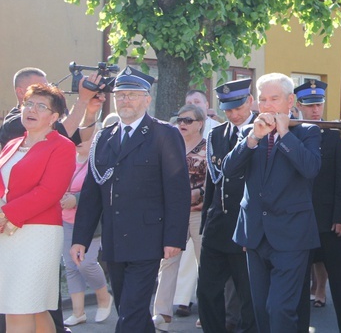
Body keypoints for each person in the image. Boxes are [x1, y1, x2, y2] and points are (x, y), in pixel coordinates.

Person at [71, 66, 191, 333]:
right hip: (114, 240)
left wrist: (174, 238)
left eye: (132, 95)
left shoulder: (164, 134)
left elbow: (177, 190)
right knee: (127, 309)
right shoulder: (104, 137)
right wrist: (80, 238)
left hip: (148, 238)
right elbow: (92, 193)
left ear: (147, 100)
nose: (125, 100)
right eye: (120, 95)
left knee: (132, 314)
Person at [222, 73, 321, 332]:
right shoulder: (248, 132)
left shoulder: (307, 132)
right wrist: (252, 139)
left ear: (290, 101)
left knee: (279, 309)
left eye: (274, 99)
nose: (267, 106)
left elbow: (310, 169)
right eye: (263, 99)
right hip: (255, 234)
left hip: (292, 235)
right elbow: (228, 171)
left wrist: (285, 134)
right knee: (261, 311)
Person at [0, 84, 76, 332]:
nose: (31, 109)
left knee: (17, 305)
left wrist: (7, 213)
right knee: (35, 307)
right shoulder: (11, 144)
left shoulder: (62, 146)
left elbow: (50, 192)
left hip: (38, 233)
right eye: (28, 103)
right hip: (6, 233)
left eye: (41, 106)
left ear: (54, 117)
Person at [293, 80, 341, 333]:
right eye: (309, 106)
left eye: (319, 104)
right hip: (298, 222)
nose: (315, 110)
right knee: (298, 284)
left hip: (330, 223)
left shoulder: (333, 135)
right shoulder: (292, 134)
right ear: (298, 106)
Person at [197, 78, 258, 333]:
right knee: (207, 292)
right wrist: (205, 223)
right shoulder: (216, 134)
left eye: (238, 108)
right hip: (218, 225)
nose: (233, 114)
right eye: (228, 109)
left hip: (247, 227)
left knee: (249, 297)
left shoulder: (264, 130)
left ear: (250, 101)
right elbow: (213, 183)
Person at [152, 104, 207, 331]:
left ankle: (206, 312)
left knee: (205, 263)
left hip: (197, 212)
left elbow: (215, 178)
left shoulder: (208, 147)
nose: (182, 124)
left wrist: (201, 193)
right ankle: (162, 314)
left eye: (188, 120)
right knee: (168, 261)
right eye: (179, 119)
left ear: (200, 124)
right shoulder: (169, 146)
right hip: (173, 213)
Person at [61, 123, 113, 327]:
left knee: (86, 263)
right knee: (71, 266)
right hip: (65, 219)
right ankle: (78, 311)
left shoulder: (98, 160)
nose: (79, 140)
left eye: (85, 135)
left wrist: (76, 199)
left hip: (91, 224)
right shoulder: (67, 159)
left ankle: (103, 297)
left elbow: (101, 191)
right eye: (76, 136)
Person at [0, 67, 103, 148]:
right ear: (20, 92)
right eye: (38, 88)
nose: (46, 91)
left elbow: (82, 136)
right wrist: (83, 100)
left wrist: (90, 111)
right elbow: (64, 131)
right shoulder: (14, 123)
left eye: (47, 86)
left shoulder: (46, 116)